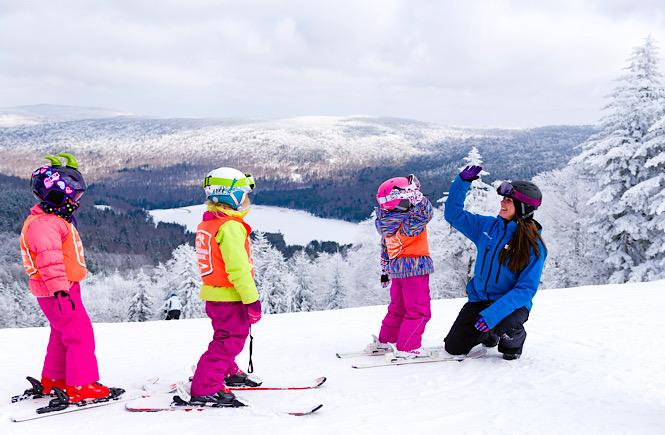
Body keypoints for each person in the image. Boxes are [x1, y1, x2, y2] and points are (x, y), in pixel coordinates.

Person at [20, 154, 117, 401]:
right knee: (80, 334)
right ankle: (81, 385)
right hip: (59, 291)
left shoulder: (51, 219)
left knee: (61, 334)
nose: (77, 201)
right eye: (74, 196)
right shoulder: (44, 224)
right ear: (56, 195)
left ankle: (55, 379)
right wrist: (60, 291)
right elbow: (48, 259)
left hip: (60, 289)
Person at [443, 165, 547, 360]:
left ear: (523, 208)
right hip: (480, 299)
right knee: (454, 347)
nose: (502, 203)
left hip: (511, 305)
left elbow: (526, 289)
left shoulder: (534, 245)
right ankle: (490, 333)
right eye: (503, 198)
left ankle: (513, 341)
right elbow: (453, 215)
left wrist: (493, 314)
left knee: (507, 329)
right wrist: (461, 183)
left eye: (508, 200)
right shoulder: (487, 227)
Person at [188, 167, 263, 406]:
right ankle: (205, 387)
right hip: (230, 297)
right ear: (227, 195)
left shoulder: (209, 222)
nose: (246, 199)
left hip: (216, 295)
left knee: (225, 336)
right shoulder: (230, 226)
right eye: (242, 194)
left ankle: (227, 372)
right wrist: (251, 299)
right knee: (230, 340)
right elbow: (238, 269)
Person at [365, 174, 434, 359]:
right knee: (419, 310)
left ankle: (386, 341)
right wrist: (418, 197)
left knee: (398, 307)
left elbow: (385, 249)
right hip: (415, 270)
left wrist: (385, 271)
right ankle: (408, 346)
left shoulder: (387, 222)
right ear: (402, 201)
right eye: (409, 198)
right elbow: (426, 213)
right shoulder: (408, 223)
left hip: (398, 272)